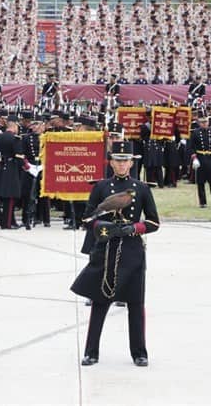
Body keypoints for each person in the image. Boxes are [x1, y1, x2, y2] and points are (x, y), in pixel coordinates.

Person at [71, 141, 160, 367]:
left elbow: (153, 222)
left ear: (131, 162)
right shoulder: (101, 187)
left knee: (135, 303)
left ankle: (139, 352)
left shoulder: (141, 188)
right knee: (100, 300)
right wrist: (103, 227)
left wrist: (135, 228)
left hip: (132, 250)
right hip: (106, 248)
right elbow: (88, 217)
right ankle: (91, 351)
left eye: (125, 160)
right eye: (117, 160)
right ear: (111, 162)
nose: (121, 164)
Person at [188, 115, 211, 208]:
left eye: (206, 122)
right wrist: (194, 158)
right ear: (199, 123)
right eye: (202, 122)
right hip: (200, 158)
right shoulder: (195, 133)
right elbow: (191, 147)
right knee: (200, 182)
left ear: (208, 122)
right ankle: (202, 202)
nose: (204, 124)